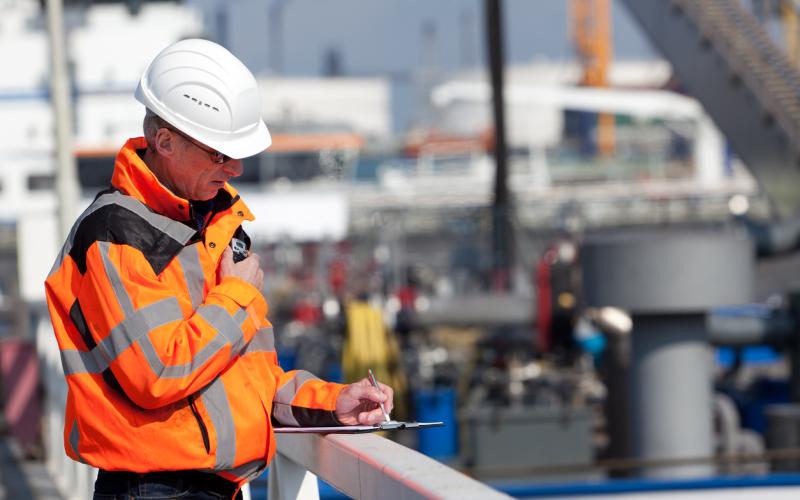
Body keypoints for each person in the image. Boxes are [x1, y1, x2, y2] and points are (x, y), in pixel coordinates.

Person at [44, 39, 393, 500]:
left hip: (204, 488)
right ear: (165, 142)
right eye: (219, 153)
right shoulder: (115, 235)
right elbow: (160, 372)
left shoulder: (211, 226)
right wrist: (235, 296)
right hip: (155, 490)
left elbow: (245, 377)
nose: (235, 168)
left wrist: (331, 403)